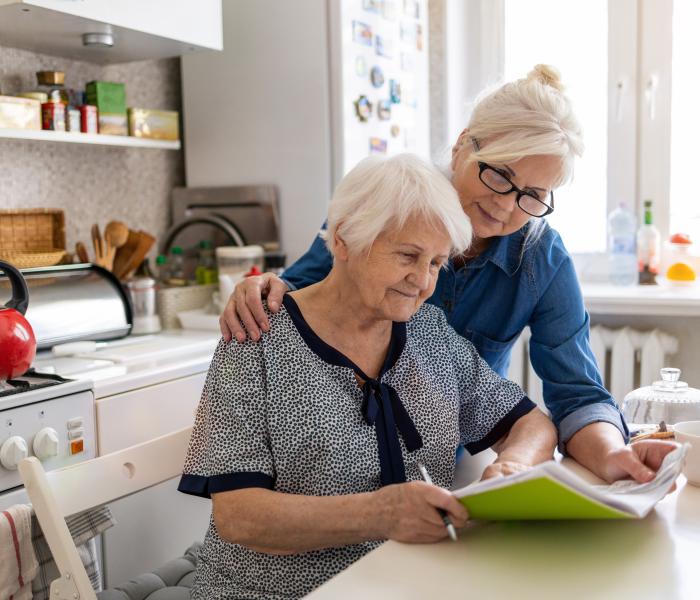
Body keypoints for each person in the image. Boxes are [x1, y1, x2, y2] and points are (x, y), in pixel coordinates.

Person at [219, 65, 677, 485]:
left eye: (532, 195)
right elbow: (299, 295)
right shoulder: (387, 205)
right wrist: (261, 287)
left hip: (448, 464)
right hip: (337, 466)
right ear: (463, 145)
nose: (504, 205)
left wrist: (615, 454)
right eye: (500, 174)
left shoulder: (542, 258)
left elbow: (577, 395)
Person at [179, 154, 557, 599]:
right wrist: (380, 513)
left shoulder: (429, 333)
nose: (421, 282)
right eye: (408, 255)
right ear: (343, 240)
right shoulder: (258, 335)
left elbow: (532, 424)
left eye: (436, 263)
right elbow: (239, 516)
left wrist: (511, 467)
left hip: (406, 584)